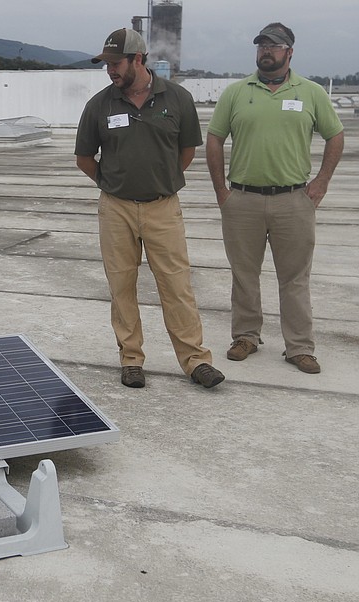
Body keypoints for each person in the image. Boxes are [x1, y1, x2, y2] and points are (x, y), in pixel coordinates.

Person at [75, 28, 224, 389]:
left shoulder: (177, 98)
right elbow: (84, 159)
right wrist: (113, 185)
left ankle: (195, 360)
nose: (110, 70)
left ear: (137, 59)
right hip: (116, 210)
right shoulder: (99, 104)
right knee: (121, 285)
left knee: (176, 285)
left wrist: (159, 181)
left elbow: (186, 152)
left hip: (163, 207)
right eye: (106, 64)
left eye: (115, 63)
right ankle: (131, 359)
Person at [206, 23, 344, 374]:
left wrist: (321, 183)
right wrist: (222, 191)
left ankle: (299, 346)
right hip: (243, 201)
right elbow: (214, 140)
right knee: (244, 274)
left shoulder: (311, 93)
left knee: (295, 277)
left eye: (275, 45)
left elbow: (335, 136)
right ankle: (246, 337)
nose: (266, 50)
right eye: (262, 45)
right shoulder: (236, 93)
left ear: (290, 52)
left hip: (293, 201)